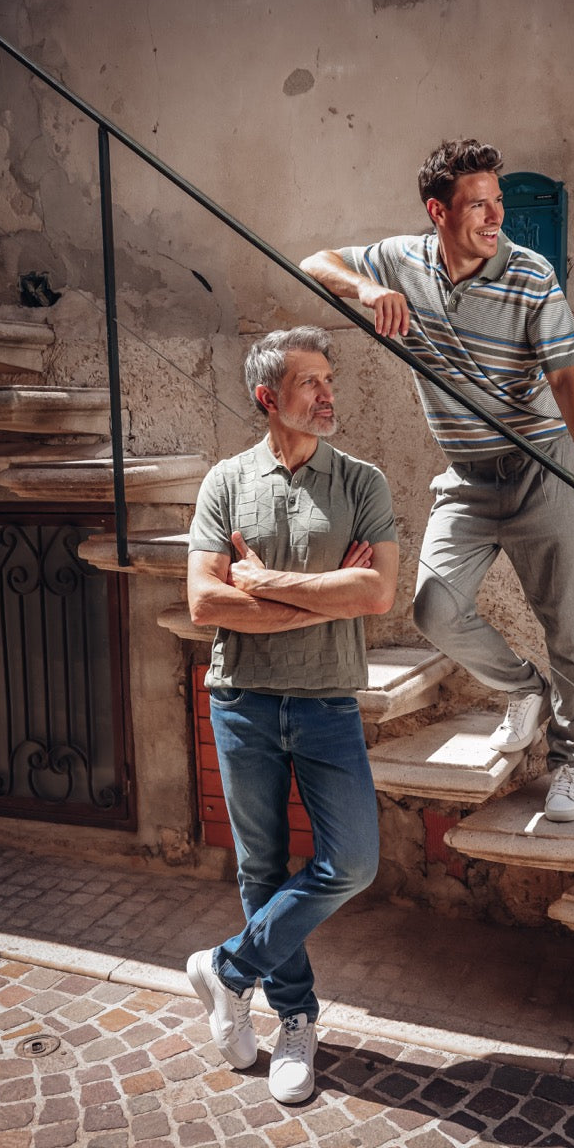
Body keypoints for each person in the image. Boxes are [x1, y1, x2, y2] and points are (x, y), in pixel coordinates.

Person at [300, 138, 574, 824]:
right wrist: (369, 290)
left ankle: (571, 761)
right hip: (467, 480)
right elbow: (315, 261)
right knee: (434, 609)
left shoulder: (531, 274)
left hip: (543, 467)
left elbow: (566, 379)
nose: (492, 217)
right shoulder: (404, 260)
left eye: (497, 203)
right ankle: (522, 689)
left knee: (568, 627)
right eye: (476, 205)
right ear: (437, 212)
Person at [185, 326, 398, 1104]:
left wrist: (266, 584)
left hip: (326, 704)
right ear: (268, 397)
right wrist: (321, 600)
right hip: (241, 702)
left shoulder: (361, 482)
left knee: (352, 863)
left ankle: (228, 969)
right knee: (260, 869)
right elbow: (205, 600)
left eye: (328, 379)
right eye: (310, 382)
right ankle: (294, 1020)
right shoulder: (225, 482)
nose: (327, 394)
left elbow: (376, 594)